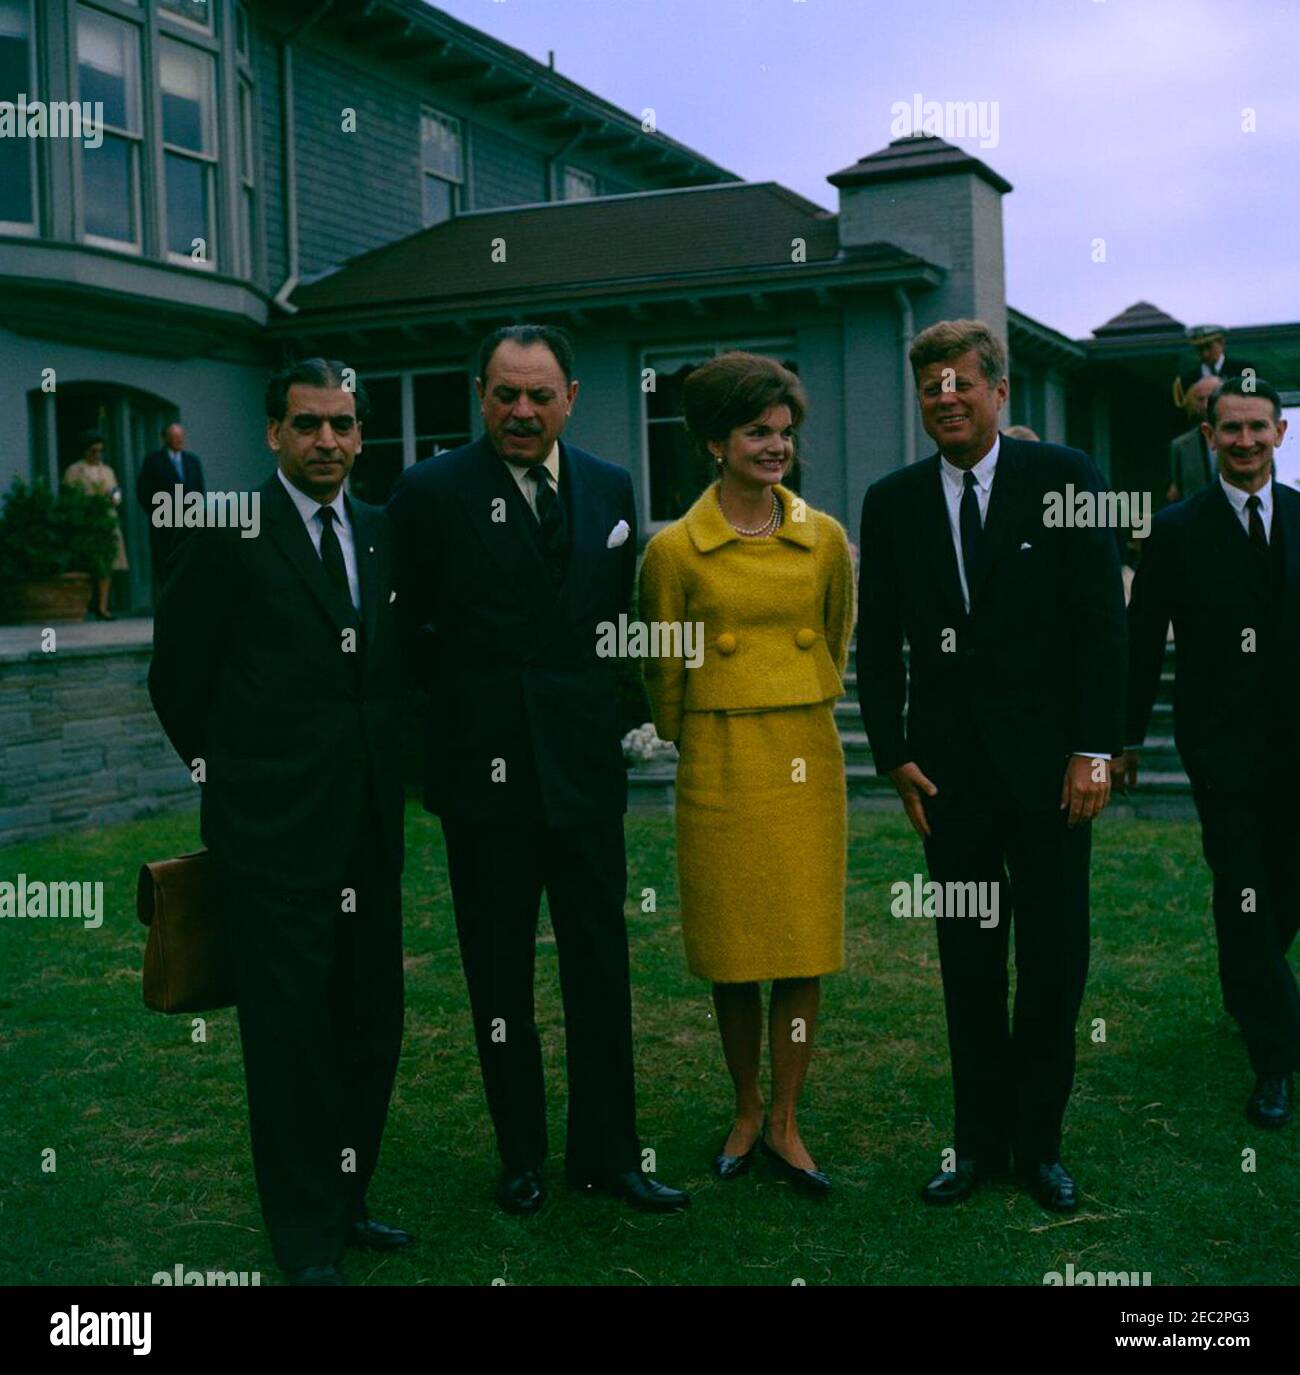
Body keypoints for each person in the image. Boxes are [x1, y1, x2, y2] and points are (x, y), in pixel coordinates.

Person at [386, 324, 688, 1217]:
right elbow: (408, 644)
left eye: (539, 395)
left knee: (601, 967)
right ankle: (521, 1155)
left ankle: (609, 1154)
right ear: (480, 396)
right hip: (486, 783)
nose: (522, 411)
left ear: (572, 398)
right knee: (499, 973)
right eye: (505, 394)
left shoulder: (610, 485)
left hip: (585, 776)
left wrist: (632, 720)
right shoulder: (429, 490)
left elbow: (606, 630)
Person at [856, 319, 1126, 1213]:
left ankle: (1039, 1145)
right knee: (968, 962)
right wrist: (893, 754)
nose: (946, 397)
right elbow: (881, 638)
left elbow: (1101, 623)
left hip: (1054, 780)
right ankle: (974, 1146)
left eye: (961, 382)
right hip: (950, 784)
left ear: (999, 392)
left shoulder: (1067, 479)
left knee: (1052, 964)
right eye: (931, 385)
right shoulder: (891, 501)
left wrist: (1094, 749)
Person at [149, 359, 409, 1285]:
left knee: (371, 1024)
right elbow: (176, 679)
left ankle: (348, 1198)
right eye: (308, 425)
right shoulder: (228, 536)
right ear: (273, 433)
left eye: (342, 424)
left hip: (370, 833)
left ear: (360, 434)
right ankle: (304, 1238)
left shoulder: (380, 533)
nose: (327, 441)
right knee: (291, 1038)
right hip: (273, 842)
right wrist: (238, 786)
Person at [639, 352, 854, 1197]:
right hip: (720, 756)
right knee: (733, 950)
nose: (775, 447)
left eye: (785, 433)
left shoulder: (825, 537)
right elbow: (664, 668)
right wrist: (697, 725)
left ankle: (788, 1123)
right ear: (714, 442)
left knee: (800, 947)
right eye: (757, 432)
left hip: (804, 747)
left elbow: (836, 636)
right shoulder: (675, 552)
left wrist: (796, 691)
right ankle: (744, 1106)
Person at [1121, 376, 1297, 1129]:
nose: (1246, 441)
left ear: (1281, 432)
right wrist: (1122, 736)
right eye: (1232, 430)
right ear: (1210, 437)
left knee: (1282, 888)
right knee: (1244, 889)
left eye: (1258, 427)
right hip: (1221, 751)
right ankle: (1275, 1059)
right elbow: (1138, 643)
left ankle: (1244, 987)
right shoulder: (1177, 528)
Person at [63, 430, 128, 620]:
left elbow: (117, 493)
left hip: (106, 519)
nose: (97, 455)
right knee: (88, 563)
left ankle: (103, 607)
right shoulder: (74, 471)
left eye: (100, 451)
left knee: (106, 563)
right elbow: (69, 496)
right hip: (86, 520)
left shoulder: (108, 471)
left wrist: (114, 498)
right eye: (93, 451)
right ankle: (84, 605)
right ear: (85, 451)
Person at [137, 422, 206, 593]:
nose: (178, 440)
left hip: (189, 521)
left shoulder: (192, 461)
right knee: (164, 562)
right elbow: (143, 491)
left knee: (188, 560)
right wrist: (157, 513)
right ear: (165, 438)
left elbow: (199, 489)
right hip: (164, 522)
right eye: (174, 437)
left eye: (180, 436)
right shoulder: (154, 461)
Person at [1172, 325, 1257, 410]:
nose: (1205, 354)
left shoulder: (1244, 371)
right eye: (1200, 349)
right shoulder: (1187, 380)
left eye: (1209, 347)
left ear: (1222, 344)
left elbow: (1254, 405)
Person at [1167, 375, 1219, 503]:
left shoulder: (1244, 439)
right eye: (1200, 399)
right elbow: (1178, 491)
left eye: (1211, 398)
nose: (1205, 405)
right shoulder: (1180, 445)